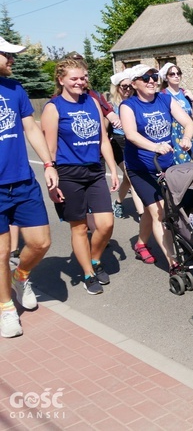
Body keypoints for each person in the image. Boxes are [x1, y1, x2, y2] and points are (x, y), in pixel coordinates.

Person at [41, 57, 119, 295]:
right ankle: (88, 273)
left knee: (106, 224)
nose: (79, 82)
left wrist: (113, 169)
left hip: (94, 171)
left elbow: (103, 140)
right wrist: (50, 178)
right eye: (73, 78)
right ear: (61, 79)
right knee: (79, 227)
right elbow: (50, 148)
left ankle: (94, 259)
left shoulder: (93, 102)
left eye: (83, 77)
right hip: (68, 173)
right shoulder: (53, 108)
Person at [0, 36, 58, 337]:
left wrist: (48, 164)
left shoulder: (14, 89)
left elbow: (31, 128)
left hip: (23, 181)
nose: (13, 59)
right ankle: (6, 308)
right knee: (1, 251)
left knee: (40, 242)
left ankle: (21, 276)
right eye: (7, 54)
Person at [119, 64, 193, 273]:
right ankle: (173, 262)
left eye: (154, 76)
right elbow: (131, 135)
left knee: (155, 210)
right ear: (134, 83)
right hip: (140, 169)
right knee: (160, 213)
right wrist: (155, 146)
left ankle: (141, 243)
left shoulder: (165, 99)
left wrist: (186, 137)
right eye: (145, 78)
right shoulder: (129, 106)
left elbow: (188, 122)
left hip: (166, 165)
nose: (151, 80)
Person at [109, 70, 145, 220]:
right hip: (118, 142)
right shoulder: (110, 106)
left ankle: (117, 202)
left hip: (133, 141)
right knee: (132, 177)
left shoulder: (135, 102)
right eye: (124, 86)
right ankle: (142, 214)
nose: (128, 89)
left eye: (130, 86)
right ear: (117, 87)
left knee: (127, 178)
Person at [160, 63, 193, 164]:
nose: (176, 76)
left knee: (191, 165)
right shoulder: (163, 95)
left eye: (178, 73)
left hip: (189, 134)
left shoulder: (185, 94)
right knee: (177, 167)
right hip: (173, 136)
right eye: (172, 74)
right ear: (166, 78)